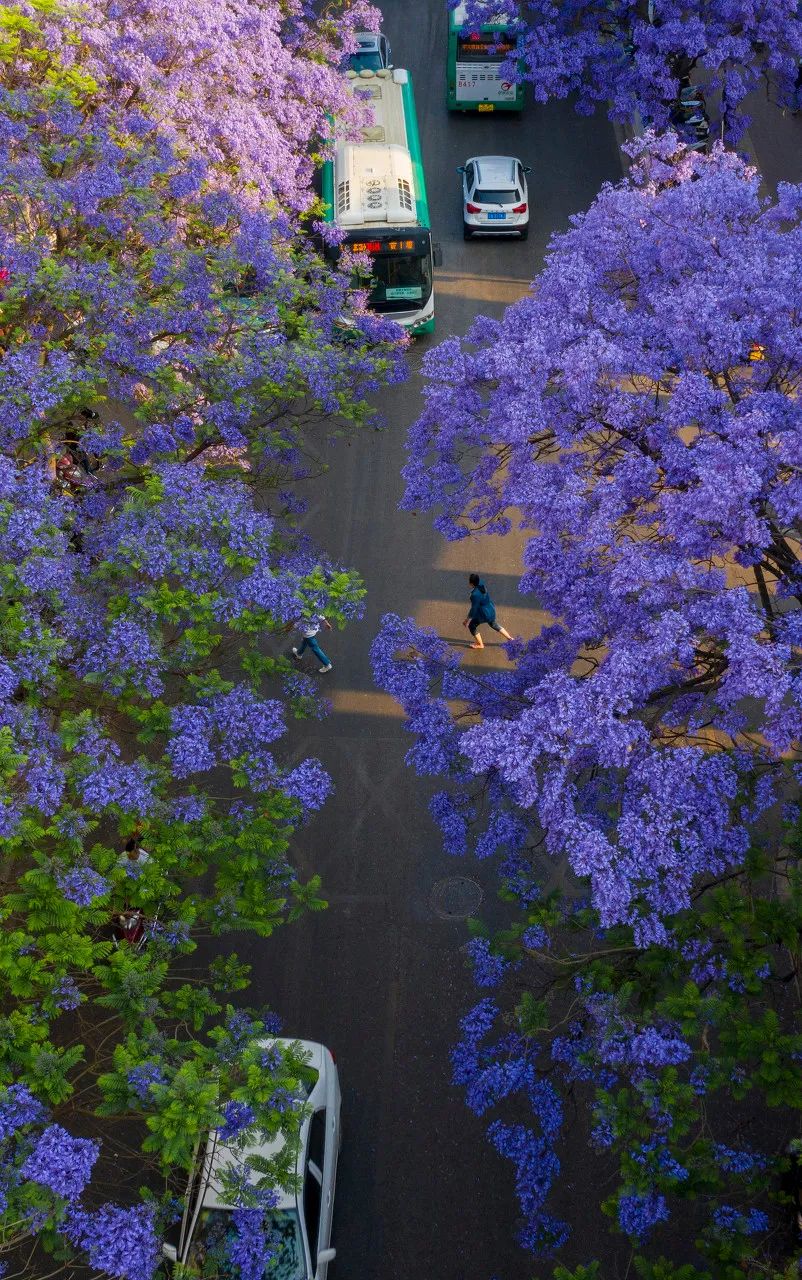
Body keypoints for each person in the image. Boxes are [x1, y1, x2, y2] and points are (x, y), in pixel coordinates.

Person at [463, 573, 513, 650]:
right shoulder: (481, 584)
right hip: (491, 609)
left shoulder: (475, 595)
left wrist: (467, 620)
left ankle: (480, 644)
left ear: (471, 583)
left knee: (472, 626)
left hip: (483, 613)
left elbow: (474, 609)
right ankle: (510, 638)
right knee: (493, 624)